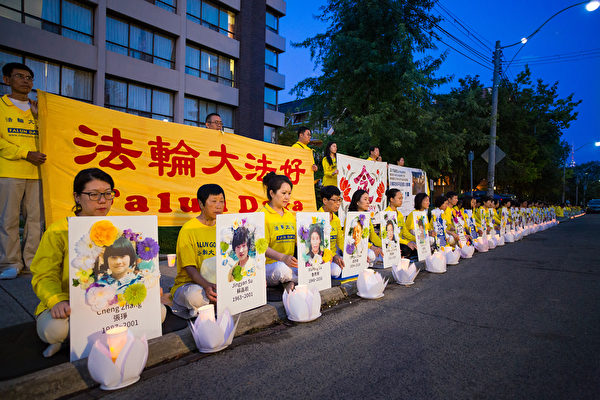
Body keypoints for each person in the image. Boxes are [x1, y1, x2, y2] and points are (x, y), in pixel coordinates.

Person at [30, 168, 114, 357]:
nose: (102, 200)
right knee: (54, 330)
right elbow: (43, 274)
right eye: (93, 194)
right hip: (69, 305)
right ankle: (76, 336)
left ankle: (84, 335)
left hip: (109, 303)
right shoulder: (59, 230)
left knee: (158, 313)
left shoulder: (117, 229)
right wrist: (57, 300)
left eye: (108, 194)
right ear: (77, 197)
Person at [0, 62, 46, 279]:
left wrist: (39, 117)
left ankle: (32, 262)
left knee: (35, 221)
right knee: (8, 220)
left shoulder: (39, 109)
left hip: (38, 173)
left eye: (29, 78)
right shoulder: (1, 106)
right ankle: (9, 263)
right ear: (7, 80)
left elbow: (51, 135)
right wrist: (25, 154)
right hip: (9, 171)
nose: (26, 81)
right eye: (20, 76)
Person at [171, 184, 224, 319]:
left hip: (218, 283)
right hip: (191, 284)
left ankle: (210, 306)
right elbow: (190, 268)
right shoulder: (188, 230)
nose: (219, 206)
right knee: (195, 296)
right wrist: (207, 286)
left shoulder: (225, 228)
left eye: (221, 201)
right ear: (201, 203)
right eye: (214, 201)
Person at [260, 172, 297, 292]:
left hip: (290, 265)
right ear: (272, 193)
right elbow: (261, 248)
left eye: (289, 193)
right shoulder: (262, 215)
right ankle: (296, 281)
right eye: (283, 193)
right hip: (270, 267)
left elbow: (299, 241)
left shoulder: (290, 216)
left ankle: (290, 282)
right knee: (282, 269)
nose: (287, 197)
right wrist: (283, 257)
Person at [348, 189, 383, 265]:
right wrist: (371, 247)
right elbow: (354, 239)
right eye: (365, 199)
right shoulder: (350, 218)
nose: (368, 202)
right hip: (355, 248)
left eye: (368, 199)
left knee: (384, 252)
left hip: (366, 247)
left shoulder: (367, 217)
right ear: (357, 202)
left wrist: (384, 245)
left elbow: (373, 236)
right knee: (371, 255)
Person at [318, 186, 345, 278]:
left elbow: (340, 241)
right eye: (335, 200)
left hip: (333, 257)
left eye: (339, 200)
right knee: (336, 271)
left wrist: (353, 254)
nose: (338, 204)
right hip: (320, 258)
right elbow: (318, 246)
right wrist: (334, 256)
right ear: (325, 201)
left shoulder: (336, 219)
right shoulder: (316, 218)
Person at [401, 193, 433, 257]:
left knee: (432, 239)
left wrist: (430, 232)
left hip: (422, 237)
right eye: (426, 201)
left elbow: (427, 229)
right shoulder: (413, 214)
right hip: (413, 239)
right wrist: (422, 236)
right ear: (420, 201)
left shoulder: (424, 214)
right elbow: (411, 231)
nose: (428, 203)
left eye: (428, 201)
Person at [384, 189, 413, 258]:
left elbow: (405, 232)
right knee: (406, 249)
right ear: (391, 199)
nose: (401, 200)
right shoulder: (386, 214)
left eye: (402, 198)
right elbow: (389, 236)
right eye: (399, 198)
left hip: (399, 241)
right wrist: (407, 243)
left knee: (415, 246)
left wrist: (417, 239)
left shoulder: (400, 214)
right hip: (390, 242)